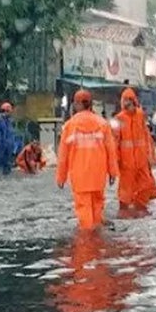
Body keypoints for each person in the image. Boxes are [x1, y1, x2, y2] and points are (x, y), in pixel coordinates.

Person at [56, 90, 120, 230]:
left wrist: (61, 177)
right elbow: (111, 150)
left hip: (80, 177)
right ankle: (97, 240)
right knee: (97, 207)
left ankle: (88, 244)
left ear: (78, 104)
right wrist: (113, 172)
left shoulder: (69, 126)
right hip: (98, 176)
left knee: (84, 212)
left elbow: (63, 155)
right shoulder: (102, 124)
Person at [113, 88, 156, 212]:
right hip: (126, 164)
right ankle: (124, 212)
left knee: (145, 187)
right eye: (125, 101)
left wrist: (152, 157)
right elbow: (115, 142)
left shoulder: (140, 116)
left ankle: (140, 209)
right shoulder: (119, 118)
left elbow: (147, 138)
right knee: (125, 192)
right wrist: (115, 162)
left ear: (134, 101)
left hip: (141, 162)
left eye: (129, 101)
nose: (127, 104)